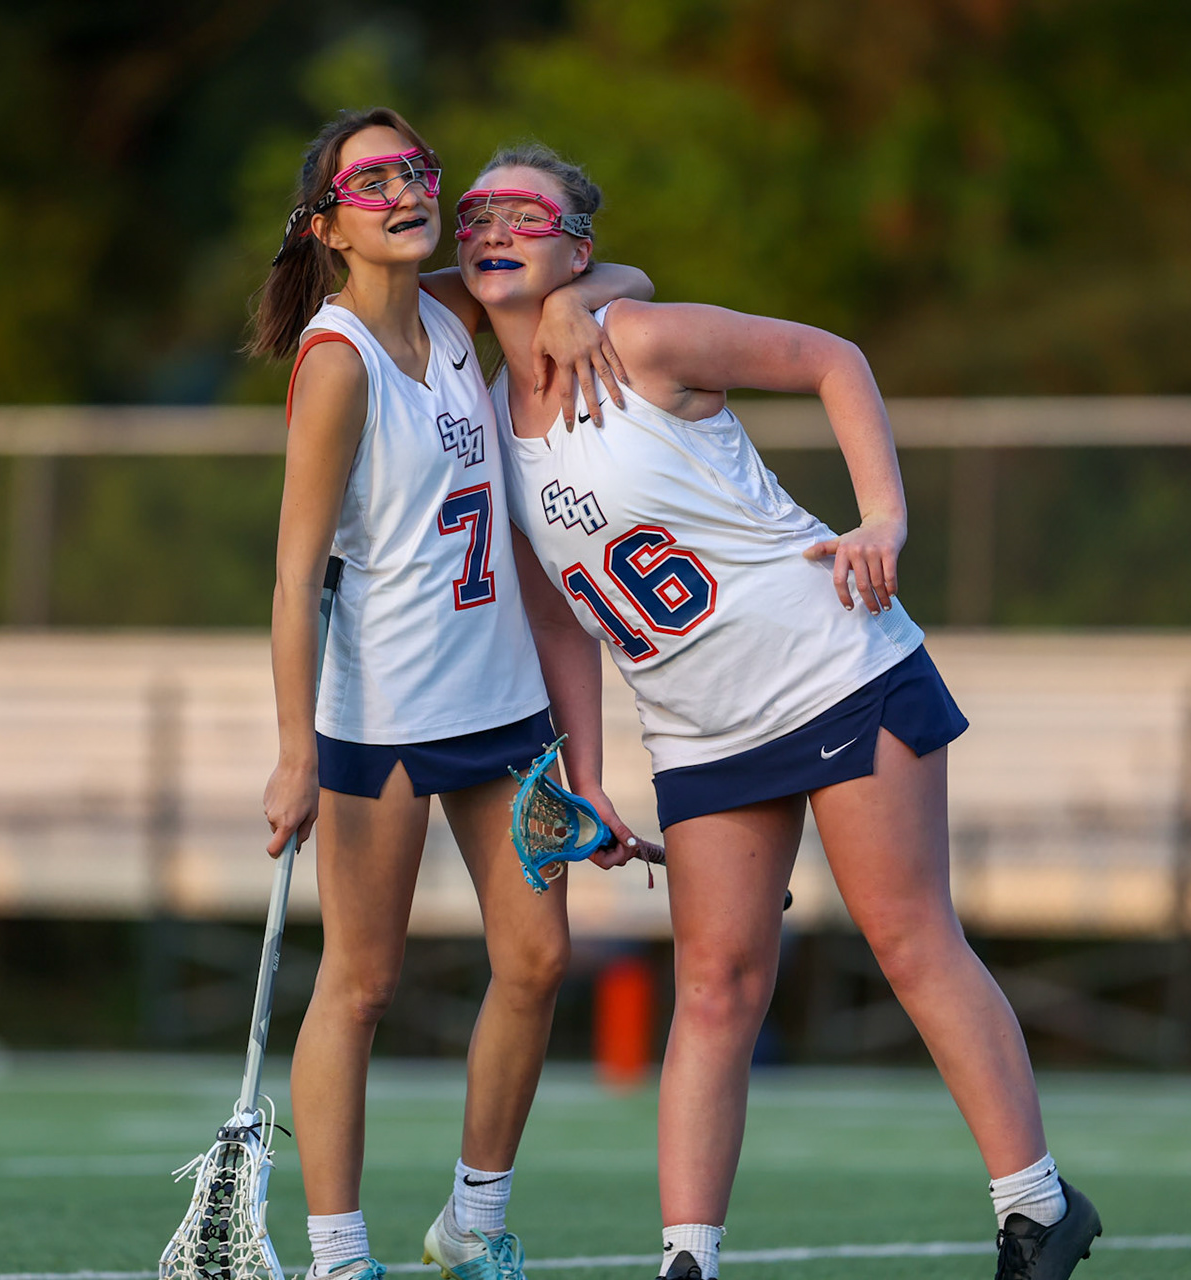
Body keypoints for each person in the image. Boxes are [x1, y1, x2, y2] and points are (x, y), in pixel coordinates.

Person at [456, 146, 1102, 1280]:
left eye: (525, 211)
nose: (491, 225)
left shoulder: (635, 338)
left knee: (908, 937)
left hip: (834, 663)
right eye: (476, 211)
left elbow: (831, 359)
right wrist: (589, 772)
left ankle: (1038, 1208)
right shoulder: (484, 414)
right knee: (714, 983)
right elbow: (562, 619)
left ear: (577, 245)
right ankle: (688, 1259)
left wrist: (883, 519)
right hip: (700, 727)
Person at [251, 109, 654, 1280]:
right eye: (370, 180)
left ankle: (472, 1221)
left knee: (536, 960)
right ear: (329, 223)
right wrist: (292, 749)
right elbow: (293, 578)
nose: (405, 190)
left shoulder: (452, 303)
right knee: (362, 981)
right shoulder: (336, 363)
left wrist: (577, 299)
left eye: (415, 169)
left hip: (505, 712)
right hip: (381, 725)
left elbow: (616, 266)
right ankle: (337, 1253)